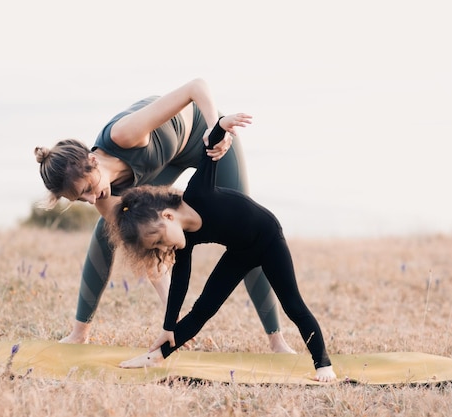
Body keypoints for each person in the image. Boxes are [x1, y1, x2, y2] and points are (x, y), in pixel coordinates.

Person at [34, 78, 294, 353]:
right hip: (163, 165)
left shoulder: (125, 134)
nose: (90, 199)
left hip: (199, 136)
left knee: (246, 234)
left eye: (87, 188)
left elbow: (196, 87)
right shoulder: (103, 199)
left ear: (93, 160)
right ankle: (79, 333)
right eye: (79, 200)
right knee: (105, 234)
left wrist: (215, 129)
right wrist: (173, 318)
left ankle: (277, 340)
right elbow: (149, 249)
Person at [108, 113, 337, 382]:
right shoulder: (185, 241)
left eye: (159, 239)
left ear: (167, 216)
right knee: (203, 309)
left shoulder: (198, 193)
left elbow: (209, 151)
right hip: (240, 252)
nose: (164, 246)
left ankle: (323, 365)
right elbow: (180, 283)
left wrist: (221, 125)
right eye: (157, 246)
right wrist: (168, 327)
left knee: (292, 305)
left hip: (268, 238)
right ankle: (157, 355)